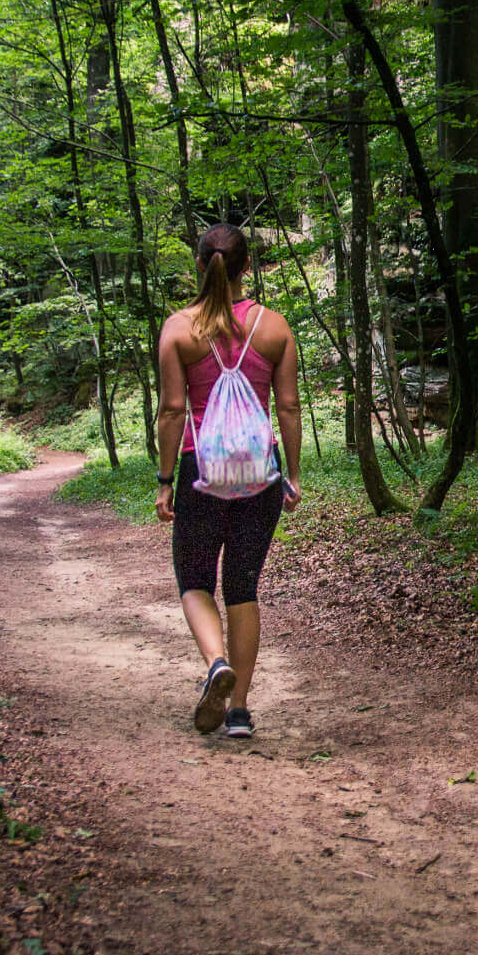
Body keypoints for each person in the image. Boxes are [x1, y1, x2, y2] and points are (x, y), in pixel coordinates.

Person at [154, 224, 302, 737]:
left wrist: (165, 479)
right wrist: (292, 476)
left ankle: (217, 662)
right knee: (242, 587)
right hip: (259, 473)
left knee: (194, 581)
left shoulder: (178, 329)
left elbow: (173, 411)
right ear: (247, 267)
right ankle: (239, 710)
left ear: (200, 265)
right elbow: (286, 406)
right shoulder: (275, 327)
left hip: (202, 471)